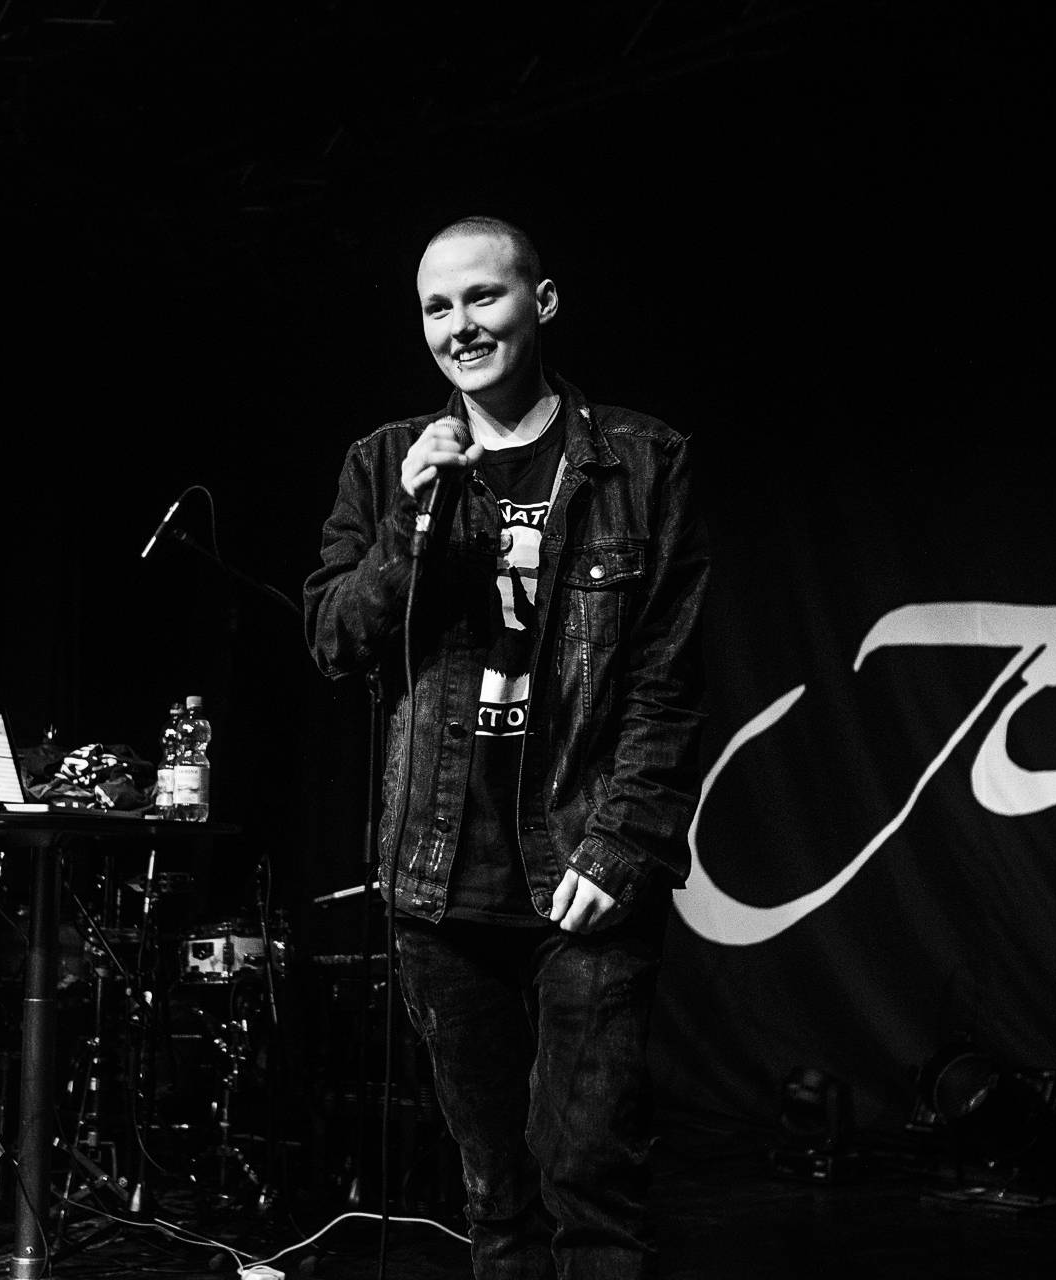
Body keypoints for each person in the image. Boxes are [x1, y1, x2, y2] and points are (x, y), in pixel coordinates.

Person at [303, 214, 710, 1279]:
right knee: (494, 1197)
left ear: (544, 301)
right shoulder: (384, 463)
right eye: (437, 307)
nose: (460, 325)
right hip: (439, 880)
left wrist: (623, 846)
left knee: (593, 1178)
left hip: (583, 870)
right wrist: (410, 524)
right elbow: (336, 641)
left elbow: (668, 685)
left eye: (483, 296)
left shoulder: (644, 461)